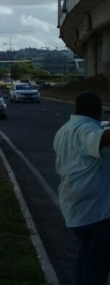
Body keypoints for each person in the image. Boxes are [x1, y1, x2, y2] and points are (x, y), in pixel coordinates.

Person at [54, 92, 110, 285]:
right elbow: (101, 138)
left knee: (86, 255)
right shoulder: (85, 128)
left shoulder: (65, 129)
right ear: (97, 111)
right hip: (93, 210)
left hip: (74, 206)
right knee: (97, 263)